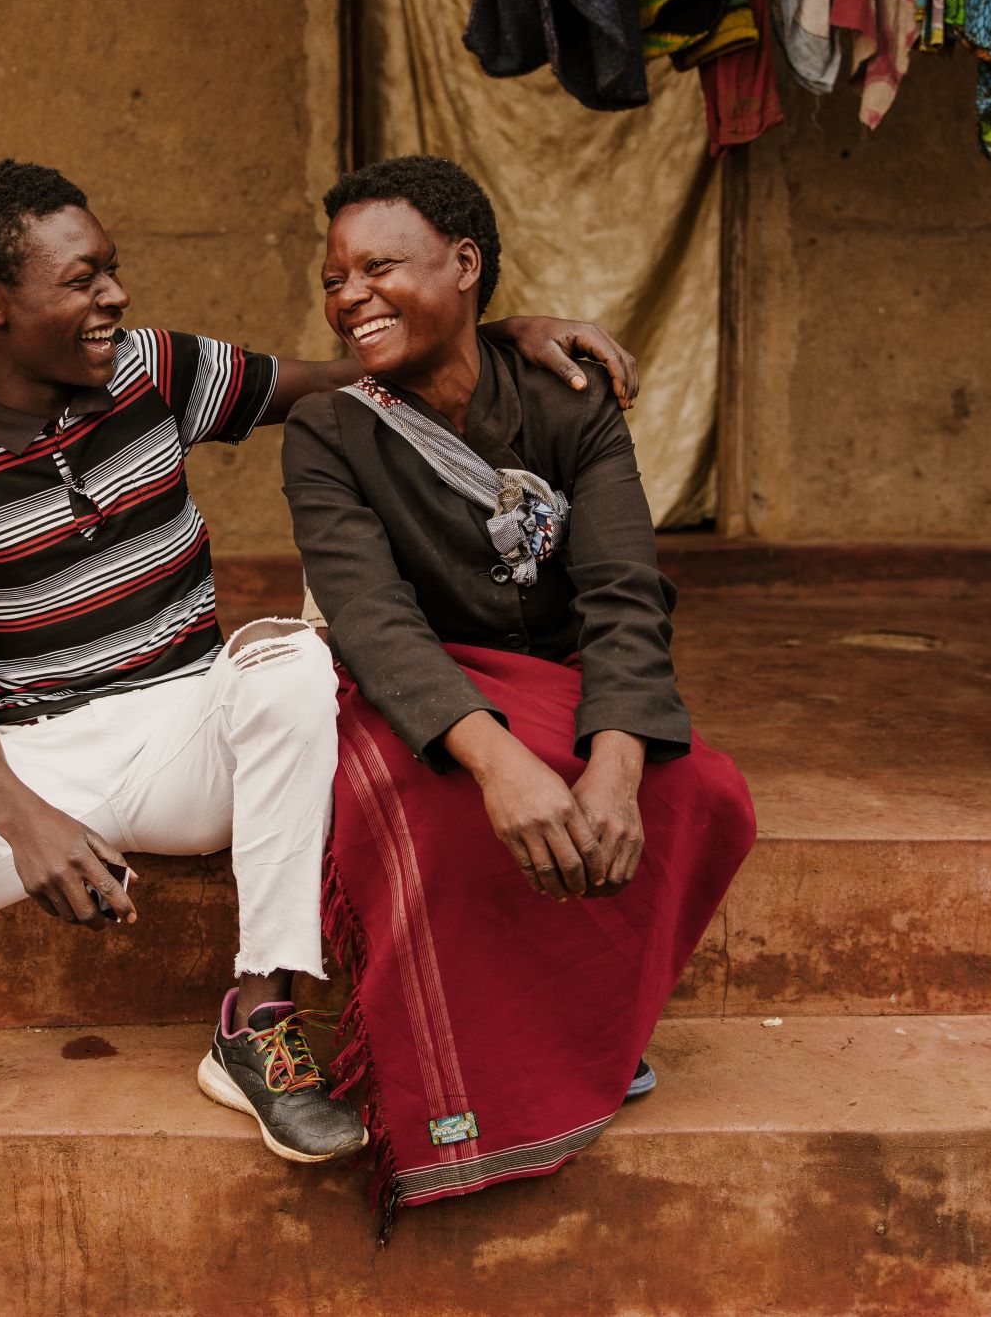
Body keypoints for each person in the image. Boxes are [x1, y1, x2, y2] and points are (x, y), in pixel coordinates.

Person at [0, 158, 640, 1316]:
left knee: (289, 660)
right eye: (83, 279)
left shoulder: (153, 370)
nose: (114, 297)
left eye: (112, 270)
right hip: (33, 755)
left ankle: (257, 1018)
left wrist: (495, 323)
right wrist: (26, 825)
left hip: (193, 723)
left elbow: (350, 376)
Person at [280, 155, 756, 1229]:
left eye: (376, 266)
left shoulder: (565, 398)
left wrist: (621, 769)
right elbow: (373, 619)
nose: (346, 294)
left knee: (704, 793)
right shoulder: (329, 431)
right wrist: (495, 763)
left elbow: (625, 594)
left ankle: (589, 1027)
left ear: (463, 264)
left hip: (553, 674)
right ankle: (475, 1091)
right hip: (418, 686)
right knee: (444, 816)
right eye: (332, 277)